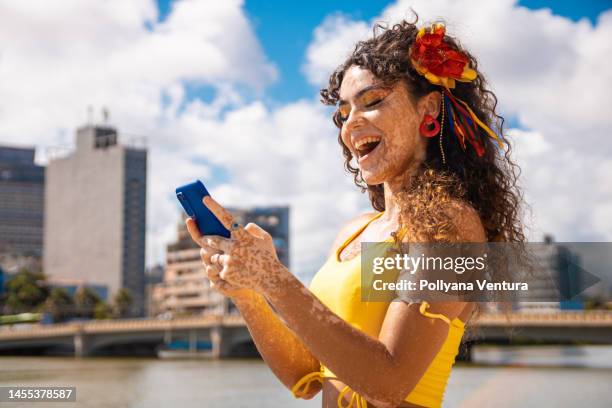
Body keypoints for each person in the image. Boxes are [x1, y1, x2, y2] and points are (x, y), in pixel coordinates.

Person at [186, 18, 525, 408]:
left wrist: (275, 278)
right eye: (343, 112)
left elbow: (389, 382)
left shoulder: (450, 224)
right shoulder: (354, 232)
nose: (351, 125)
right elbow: (306, 376)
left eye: (373, 101)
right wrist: (249, 293)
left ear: (428, 108)